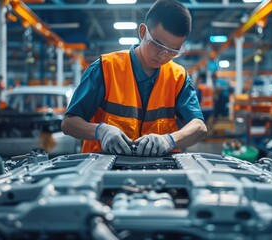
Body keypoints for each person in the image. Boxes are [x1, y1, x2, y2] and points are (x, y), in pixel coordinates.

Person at [61, 0, 207, 156]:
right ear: (143, 32)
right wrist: (100, 131)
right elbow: (68, 123)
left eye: (172, 51)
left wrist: (169, 140)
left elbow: (199, 127)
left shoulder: (178, 77)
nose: (162, 56)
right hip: (103, 171)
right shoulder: (105, 68)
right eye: (157, 45)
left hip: (160, 171)